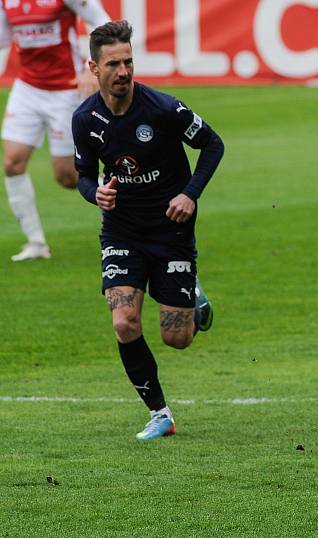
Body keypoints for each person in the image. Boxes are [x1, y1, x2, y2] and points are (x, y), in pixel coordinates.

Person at [72, 20, 224, 440]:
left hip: (170, 232)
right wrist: (95, 193)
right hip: (121, 233)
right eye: (114, 64)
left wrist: (190, 194)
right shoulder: (85, 120)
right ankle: (160, 413)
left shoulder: (163, 109)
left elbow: (213, 145)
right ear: (93, 67)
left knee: (177, 338)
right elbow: (84, 174)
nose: (123, 71)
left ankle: (192, 295)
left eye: (129, 62)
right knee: (124, 322)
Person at [0, 0, 109, 261]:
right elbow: (3, 39)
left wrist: (90, 68)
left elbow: (103, 22)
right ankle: (36, 243)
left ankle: (127, 205)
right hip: (28, 87)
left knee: (68, 177)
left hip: (66, 90)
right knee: (12, 163)